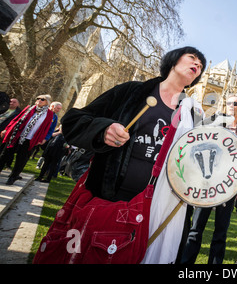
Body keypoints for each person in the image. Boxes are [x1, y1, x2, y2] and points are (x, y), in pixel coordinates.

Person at [61, 46, 207, 264]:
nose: (197, 65)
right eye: (192, 58)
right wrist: (104, 130)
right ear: (173, 61)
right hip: (110, 201)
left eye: (201, 66)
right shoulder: (132, 93)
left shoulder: (194, 116)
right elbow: (72, 121)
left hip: (156, 213)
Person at [181, 95, 237, 264]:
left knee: (221, 232)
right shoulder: (210, 121)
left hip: (229, 185)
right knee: (196, 229)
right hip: (207, 182)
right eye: (230, 103)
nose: (233, 106)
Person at [0, 94, 55, 185]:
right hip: (17, 135)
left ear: (47, 102)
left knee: (21, 159)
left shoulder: (49, 114)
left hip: (29, 139)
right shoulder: (30, 108)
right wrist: (7, 129)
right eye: (38, 98)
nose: (39, 100)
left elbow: (47, 128)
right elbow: (16, 119)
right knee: (5, 154)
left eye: (42, 99)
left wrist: (43, 138)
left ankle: (13, 177)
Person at [0, 98, 21, 167]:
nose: (11, 103)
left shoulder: (19, 113)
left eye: (14, 102)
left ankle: (6, 164)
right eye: (10, 101)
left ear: (18, 104)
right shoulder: (3, 108)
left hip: (4, 132)